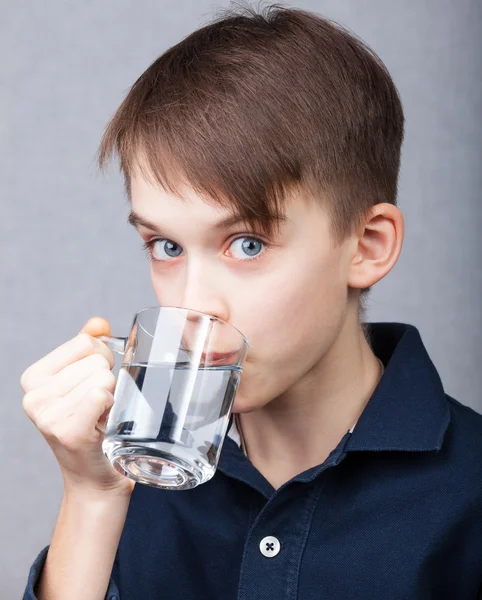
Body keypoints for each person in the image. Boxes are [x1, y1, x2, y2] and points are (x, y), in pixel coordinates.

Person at [21, 4, 482, 599]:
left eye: (246, 243)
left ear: (366, 246)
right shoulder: (138, 474)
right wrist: (90, 498)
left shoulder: (468, 492)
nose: (195, 305)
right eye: (165, 245)